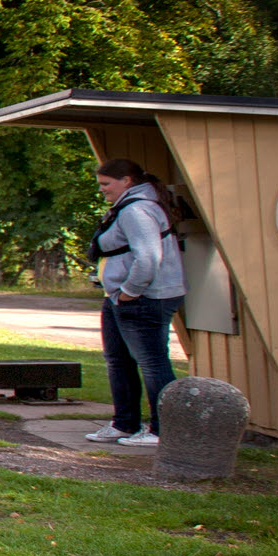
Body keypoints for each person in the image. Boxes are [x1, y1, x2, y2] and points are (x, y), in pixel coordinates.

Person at [87, 158, 186, 446]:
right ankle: (124, 424)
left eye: (106, 184)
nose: (102, 190)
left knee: (152, 362)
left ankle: (162, 430)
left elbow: (148, 258)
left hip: (143, 298)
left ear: (127, 181)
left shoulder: (137, 210)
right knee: (118, 361)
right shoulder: (131, 207)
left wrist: (130, 291)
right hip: (120, 297)